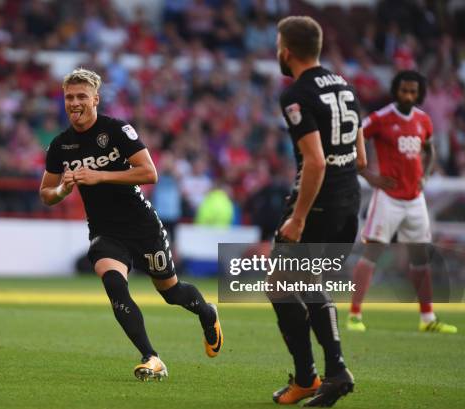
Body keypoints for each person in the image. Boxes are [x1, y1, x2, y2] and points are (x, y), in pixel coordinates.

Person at [39, 68, 223, 381]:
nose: (74, 102)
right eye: (69, 97)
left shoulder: (117, 131)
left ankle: (207, 313)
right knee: (114, 284)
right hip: (105, 231)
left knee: (172, 292)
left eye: (81, 96)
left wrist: (101, 175)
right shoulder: (61, 146)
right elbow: (47, 193)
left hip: (142, 226)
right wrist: (63, 190)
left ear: (95, 99)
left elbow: (149, 173)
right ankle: (152, 358)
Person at [268, 16, 367, 406]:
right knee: (299, 283)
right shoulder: (345, 85)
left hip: (320, 201)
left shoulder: (296, 94)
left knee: (284, 283)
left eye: (278, 45)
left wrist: (300, 217)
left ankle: (326, 373)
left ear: (286, 51)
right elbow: (359, 157)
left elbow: (316, 161)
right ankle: (319, 375)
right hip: (349, 200)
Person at [347, 70, 457, 334]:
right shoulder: (381, 118)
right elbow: (354, 139)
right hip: (388, 198)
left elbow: (428, 149)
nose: (408, 95)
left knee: (421, 257)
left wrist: (425, 175)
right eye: (404, 90)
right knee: (372, 253)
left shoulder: (423, 120)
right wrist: (369, 175)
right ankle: (354, 315)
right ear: (395, 90)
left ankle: (427, 318)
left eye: (413, 91)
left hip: (414, 198)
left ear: (419, 93)